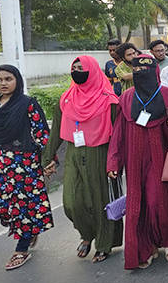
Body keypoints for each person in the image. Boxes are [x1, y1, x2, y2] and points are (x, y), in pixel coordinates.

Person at [106, 55, 168, 270]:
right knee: (140, 205)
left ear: (155, 71)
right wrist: (113, 163)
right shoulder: (127, 98)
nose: (140, 73)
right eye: (136, 70)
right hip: (134, 159)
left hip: (161, 157)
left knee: (160, 201)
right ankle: (147, 247)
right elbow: (118, 132)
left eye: (145, 69)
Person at [42, 56, 122, 263]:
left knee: (99, 201)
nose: (77, 71)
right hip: (74, 154)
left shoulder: (108, 100)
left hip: (100, 153)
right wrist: (46, 157)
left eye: (81, 68)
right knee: (71, 201)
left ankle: (104, 244)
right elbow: (56, 131)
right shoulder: (66, 99)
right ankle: (86, 233)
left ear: (93, 71)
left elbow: (119, 134)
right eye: (74, 68)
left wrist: (116, 161)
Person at [0, 65, 53, 270]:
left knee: (24, 206)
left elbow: (41, 132)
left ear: (17, 81)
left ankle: (22, 247)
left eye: (8, 79)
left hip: (25, 163)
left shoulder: (27, 104)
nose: (4, 83)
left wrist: (49, 159)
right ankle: (28, 229)